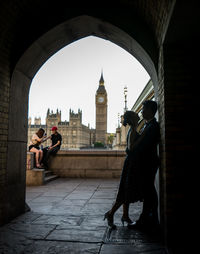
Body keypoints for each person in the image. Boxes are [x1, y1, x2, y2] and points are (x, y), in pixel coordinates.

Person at [104, 111, 143, 228]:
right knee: (125, 192)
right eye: (137, 116)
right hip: (131, 164)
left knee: (127, 191)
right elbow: (131, 148)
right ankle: (111, 213)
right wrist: (142, 138)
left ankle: (125, 215)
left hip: (131, 163)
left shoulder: (132, 130)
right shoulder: (132, 131)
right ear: (133, 119)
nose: (138, 116)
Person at [128, 100, 160, 230]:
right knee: (148, 192)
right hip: (148, 162)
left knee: (149, 192)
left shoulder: (152, 126)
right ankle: (148, 218)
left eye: (143, 109)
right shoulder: (148, 125)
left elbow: (140, 146)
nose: (141, 112)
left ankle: (147, 220)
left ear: (150, 111)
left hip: (149, 163)